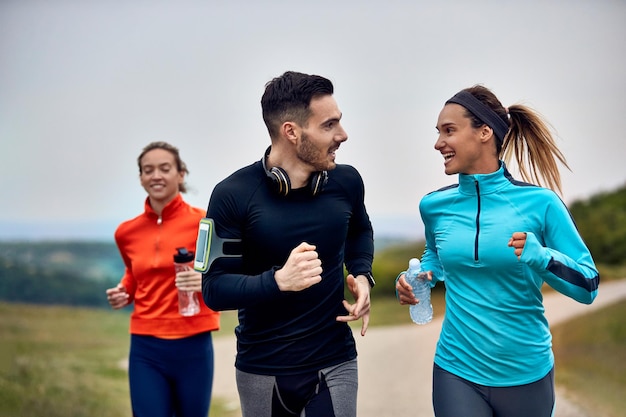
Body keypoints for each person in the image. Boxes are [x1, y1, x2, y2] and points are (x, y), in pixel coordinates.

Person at [395, 85, 600, 417]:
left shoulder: (541, 204)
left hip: (526, 373)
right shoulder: (434, 206)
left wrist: (542, 256)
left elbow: (588, 285)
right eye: (438, 133)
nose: (438, 143)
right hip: (456, 368)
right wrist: (417, 278)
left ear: (484, 133)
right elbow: (435, 255)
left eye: (449, 131)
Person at [201, 71, 375, 417]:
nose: (343, 135)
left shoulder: (347, 181)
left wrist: (363, 275)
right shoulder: (231, 196)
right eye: (329, 125)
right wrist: (278, 281)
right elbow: (214, 288)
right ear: (292, 132)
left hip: (336, 361)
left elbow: (359, 231)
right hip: (264, 370)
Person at [105, 141, 220, 417]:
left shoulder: (204, 223)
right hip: (146, 346)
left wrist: (203, 281)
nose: (155, 175)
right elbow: (134, 273)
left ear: (180, 174)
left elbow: (222, 274)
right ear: (141, 178)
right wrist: (125, 291)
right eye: (148, 170)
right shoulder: (126, 232)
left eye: (164, 168)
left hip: (193, 341)